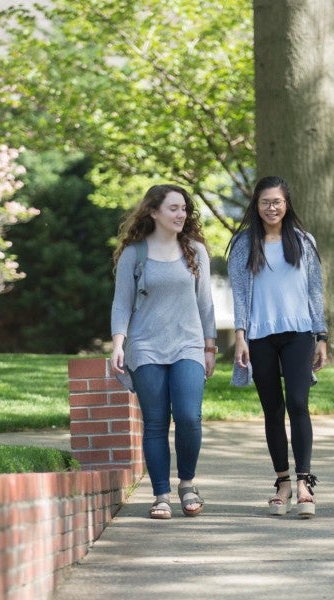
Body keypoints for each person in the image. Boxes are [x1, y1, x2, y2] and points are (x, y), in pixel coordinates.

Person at [110, 184, 217, 520]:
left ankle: (187, 483)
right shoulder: (134, 254)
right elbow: (122, 302)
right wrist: (118, 343)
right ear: (154, 212)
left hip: (188, 344)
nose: (181, 214)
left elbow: (205, 303)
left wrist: (210, 346)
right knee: (156, 422)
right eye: (173, 208)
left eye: (184, 208)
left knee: (188, 416)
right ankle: (160, 495)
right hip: (145, 346)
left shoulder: (195, 251)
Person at [227, 176, 328, 518]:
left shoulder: (303, 241)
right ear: (256, 205)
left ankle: (304, 483)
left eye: (277, 202)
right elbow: (240, 294)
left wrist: (322, 335)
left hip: (299, 333)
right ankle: (282, 483)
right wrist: (240, 336)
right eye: (265, 202)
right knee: (273, 409)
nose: (272, 208)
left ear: (287, 204)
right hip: (259, 335)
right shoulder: (243, 244)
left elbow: (315, 290)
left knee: (298, 403)